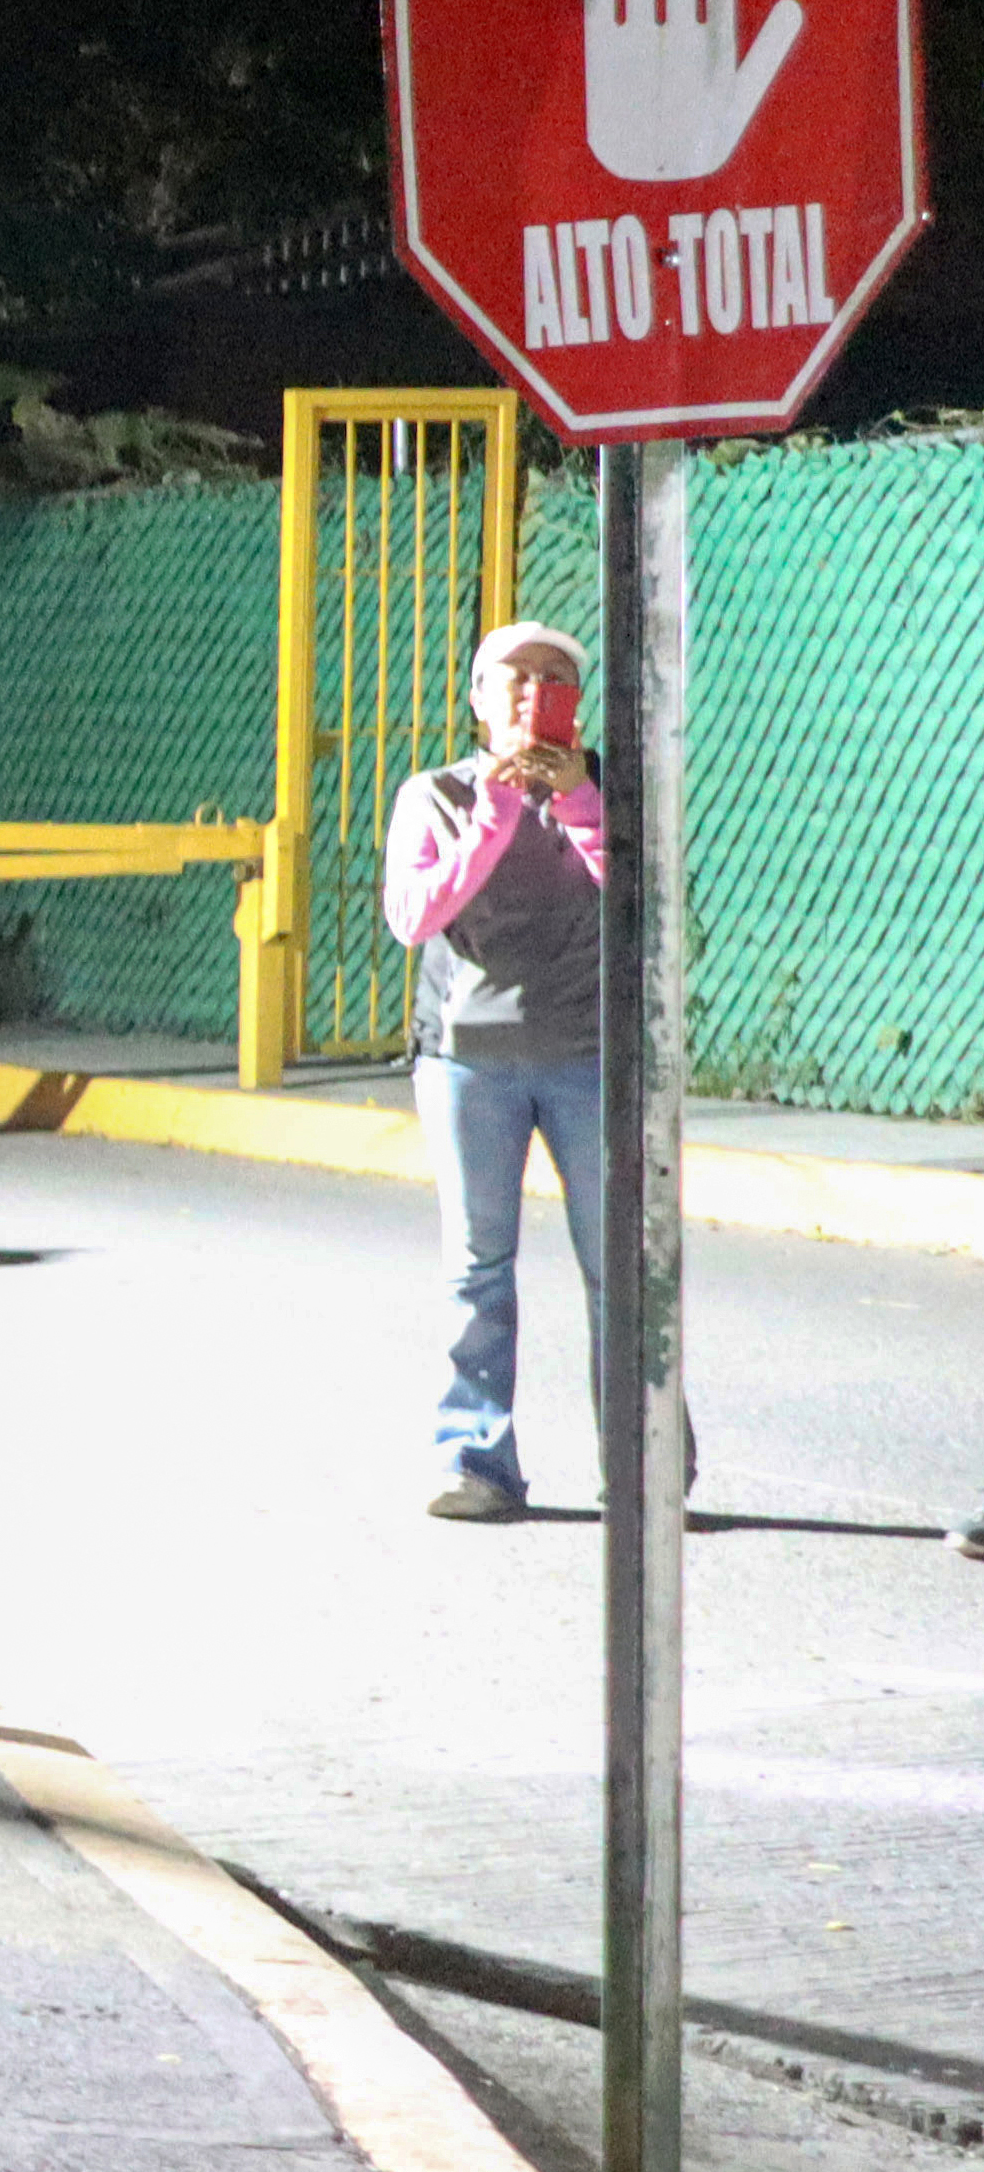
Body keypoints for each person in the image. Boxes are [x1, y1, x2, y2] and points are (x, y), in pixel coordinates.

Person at [384, 618, 612, 1521]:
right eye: (513, 680)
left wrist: (579, 803)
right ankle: (475, 1460)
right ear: (478, 700)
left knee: (620, 1263)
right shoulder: (433, 794)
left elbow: (642, 900)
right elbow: (414, 913)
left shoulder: (604, 787)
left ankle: (643, 1462)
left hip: (590, 1058)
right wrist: (498, 813)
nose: (530, 695)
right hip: (467, 1061)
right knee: (477, 1267)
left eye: (552, 681)